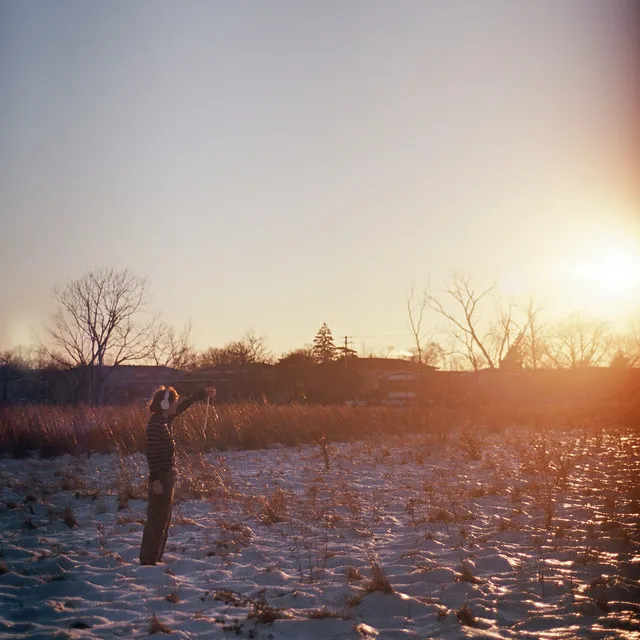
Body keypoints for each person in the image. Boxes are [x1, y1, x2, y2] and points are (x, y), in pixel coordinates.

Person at [139, 384, 216, 565]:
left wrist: (201, 393)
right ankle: (148, 560)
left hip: (168, 476)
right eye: (174, 401)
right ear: (165, 404)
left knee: (164, 520)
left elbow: (183, 407)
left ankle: (156, 558)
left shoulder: (165, 420)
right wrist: (155, 479)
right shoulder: (156, 425)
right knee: (156, 520)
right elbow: (152, 454)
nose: (177, 404)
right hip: (161, 478)